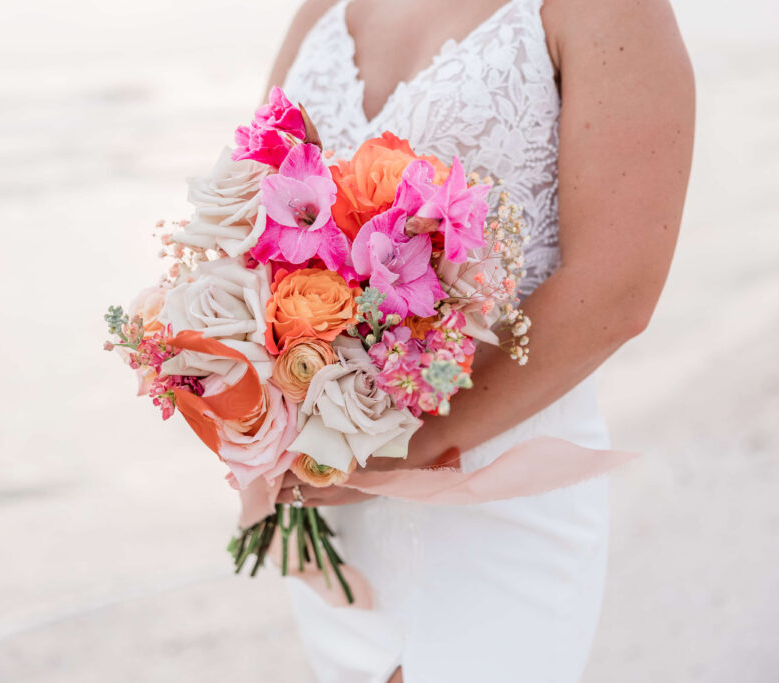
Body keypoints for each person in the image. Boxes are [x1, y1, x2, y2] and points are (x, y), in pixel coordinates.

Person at [268, 0, 694, 680]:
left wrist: (397, 452)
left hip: (500, 500)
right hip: (338, 517)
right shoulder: (324, 10)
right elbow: (254, 210)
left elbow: (618, 289)